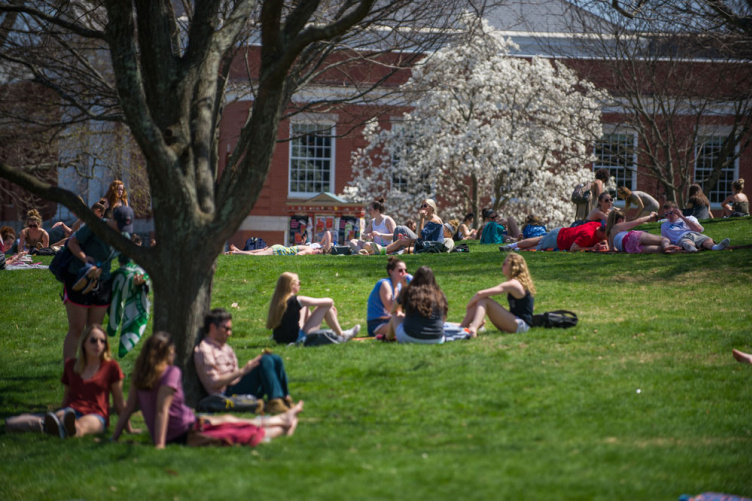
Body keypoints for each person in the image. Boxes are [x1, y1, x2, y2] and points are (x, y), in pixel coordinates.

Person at [114, 332, 303, 448]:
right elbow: (162, 411)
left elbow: (128, 407)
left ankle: (282, 418)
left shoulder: (140, 375)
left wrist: (115, 437)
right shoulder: (170, 373)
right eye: (172, 351)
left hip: (191, 424)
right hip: (185, 432)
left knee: (230, 420)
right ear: (165, 353)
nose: (175, 354)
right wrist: (160, 445)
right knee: (240, 434)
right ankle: (285, 426)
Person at [5, 325, 132, 438]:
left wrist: (129, 429)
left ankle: (63, 429)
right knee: (61, 416)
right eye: (93, 340)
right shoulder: (71, 366)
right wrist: (62, 410)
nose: (98, 344)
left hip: (96, 414)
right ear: (84, 343)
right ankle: (58, 427)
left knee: (81, 426)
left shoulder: (111, 367)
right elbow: (66, 396)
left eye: (102, 341)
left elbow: (119, 402)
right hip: (70, 412)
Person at [62, 205, 134, 360]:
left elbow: (125, 264)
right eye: (120, 225)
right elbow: (72, 243)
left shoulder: (124, 237)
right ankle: (69, 371)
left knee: (95, 329)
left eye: (125, 227)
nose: (122, 230)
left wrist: (133, 277)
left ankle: (90, 367)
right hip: (79, 277)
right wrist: (84, 258)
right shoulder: (95, 225)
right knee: (77, 328)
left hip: (103, 283)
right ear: (112, 219)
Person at [195, 308, 294, 414]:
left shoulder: (226, 348)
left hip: (239, 386)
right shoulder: (204, 350)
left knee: (274, 359)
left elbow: (238, 375)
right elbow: (213, 383)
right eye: (226, 329)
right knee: (265, 360)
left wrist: (252, 365)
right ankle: (274, 402)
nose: (229, 333)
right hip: (226, 394)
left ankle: (284, 398)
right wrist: (243, 371)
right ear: (213, 327)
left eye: (230, 329)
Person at [267, 272, 360, 344]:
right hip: (297, 339)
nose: (300, 285)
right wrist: (330, 311)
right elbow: (329, 301)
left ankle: (320, 332)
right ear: (292, 285)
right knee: (325, 308)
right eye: (299, 283)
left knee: (304, 307)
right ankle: (342, 335)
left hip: (281, 338)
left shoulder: (278, 301)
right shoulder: (297, 300)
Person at [459, 253, 535, 336]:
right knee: (483, 300)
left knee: (485, 300)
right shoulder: (519, 283)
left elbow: (480, 293)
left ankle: (473, 328)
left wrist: (469, 306)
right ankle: (463, 327)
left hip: (521, 326)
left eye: (504, 264)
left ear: (512, 267)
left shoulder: (513, 284)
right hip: (520, 325)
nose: (502, 266)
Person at [387, 265, 447, 344]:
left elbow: (393, 310)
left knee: (395, 316)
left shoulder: (408, 291)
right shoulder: (440, 294)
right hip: (437, 339)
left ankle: (388, 338)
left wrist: (403, 287)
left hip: (410, 337)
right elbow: (443, 318)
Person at [366, 257, 410, 337]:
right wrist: (404, 289)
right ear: (391, 272)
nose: (404, 273)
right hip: (377, 324)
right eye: (400, 271)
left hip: (391, 320)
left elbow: (398, 310)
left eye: (405, 270)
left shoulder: (399, 286)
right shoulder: (384, 284)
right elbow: (391, 308)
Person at [661, 202, 730, 252]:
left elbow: (698, 229)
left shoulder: (690, 218)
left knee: (707, 240)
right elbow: (665, 239)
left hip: (695, 234)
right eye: (666, 214)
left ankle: (716, 247)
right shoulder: (664, 226)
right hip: (681, 238)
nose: (668, 216)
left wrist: (682, 216)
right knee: (687, 242)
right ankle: (692, 249)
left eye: (671, 213)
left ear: (677, 211)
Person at [501, 220, 608, 252]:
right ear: (602, 233)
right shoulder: (588, 235)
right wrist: (591, 248)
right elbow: (573, 248)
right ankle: (514, 250)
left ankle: (510, 246)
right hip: (558, 239)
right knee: (536, 248)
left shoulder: (596, 225)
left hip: (560, 231)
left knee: (539, 239)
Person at [606, 209, 679, 254]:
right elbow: (638, 221)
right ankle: (666, 246)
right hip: (632, 237)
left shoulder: (610, 234)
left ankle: (669, 249)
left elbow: (612, 250)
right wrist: (650, 216)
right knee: (664, 239)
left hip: (628, 248)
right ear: (620, 220)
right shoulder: (618, 226)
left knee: (659, 249)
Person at [226, 243, 325, 255]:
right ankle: (234, 254)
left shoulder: (308, 246)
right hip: (279, 251)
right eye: (318, 252)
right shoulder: (308, 251)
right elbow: (298, 255)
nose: (317, 253)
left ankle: (238, 250)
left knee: (260, 251)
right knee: (256, 256)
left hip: (279, 247)